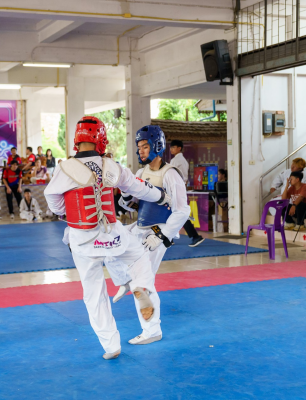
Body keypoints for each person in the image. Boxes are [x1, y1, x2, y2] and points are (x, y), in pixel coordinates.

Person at [44, 116, 171, 360]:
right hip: (112, 234)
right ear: (100, 138)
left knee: (93, 292)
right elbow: (138, 187)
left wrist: (64, 211)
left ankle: (111, 345)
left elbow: (53, 200)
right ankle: (142, 297)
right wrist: (161, 196)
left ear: (77, 140)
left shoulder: (65, 168)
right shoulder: (111, 166)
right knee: (139, 260)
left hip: (83, 238)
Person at [112, 125, 190, 345]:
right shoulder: (140, 173)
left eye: (145, 146)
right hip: (141, 226)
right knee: (112, 244)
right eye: (139, 147)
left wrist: (162, 236)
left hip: (158, 231)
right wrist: (125, 195)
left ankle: (152, 331)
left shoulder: (170, 174)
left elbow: (182, 211)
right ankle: (125, 279)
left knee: (143, 282)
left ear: (157, 146)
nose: (141, 151)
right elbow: (132, 206)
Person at [170, 139, 205, 247]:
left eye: (173, 147)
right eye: (171, 147)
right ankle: (169, 238)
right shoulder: (179, 160)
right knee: (173, 213)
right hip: (176, 189)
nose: (171, 149)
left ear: (179, 148)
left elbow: (178, 177)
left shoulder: (178, 160)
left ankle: (195, 236)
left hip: (176, 189)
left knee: (179, 214)